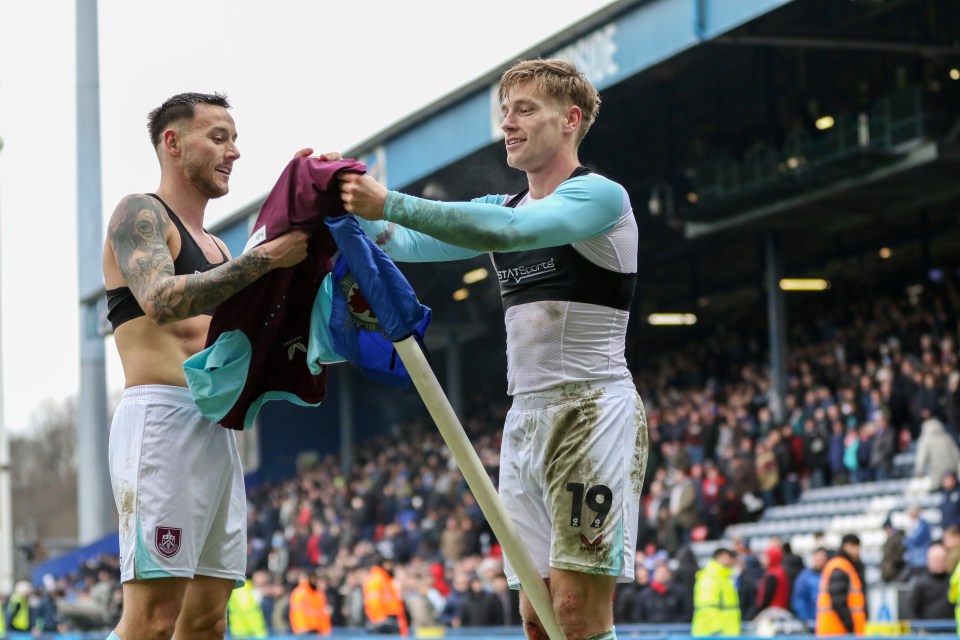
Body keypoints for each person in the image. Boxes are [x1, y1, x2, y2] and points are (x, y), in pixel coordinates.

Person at [340, 58, 646, 640]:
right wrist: (337, 202)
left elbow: (502, 236)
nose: (508, 122)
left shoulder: (600, 197)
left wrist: (389, 202)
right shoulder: (503, 206)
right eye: (505, 111)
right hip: (525, 418)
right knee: (538, 614)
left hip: (593, 412)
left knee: (578, 613)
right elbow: (398, 239)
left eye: (525, 109)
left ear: (570, 120)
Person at [101, 92, 311, 640]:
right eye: (218, 137)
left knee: (206, 621)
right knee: (152, 621)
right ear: (173, 143)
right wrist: (263, 258)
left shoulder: (219, 247)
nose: (234, 151)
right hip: (160, 422)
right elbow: (162, 299)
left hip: (215, 431)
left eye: (235, 139)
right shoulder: (139, 212)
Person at [815, 534, 866, 637]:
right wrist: (850, 626)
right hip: (837, 632)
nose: (857, 551)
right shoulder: (840, 567)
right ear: (847, 546)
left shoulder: (843, 566)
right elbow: (838, 601)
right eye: (855, 547)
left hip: (837, 632)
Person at [691, 547, 741, 636]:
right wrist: (716, 630)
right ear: (721, 557)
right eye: (729, 557)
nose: (732, 561)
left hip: (727, 632)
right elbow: (708, 606)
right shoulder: (710, 577)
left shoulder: (724, 578)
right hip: (714, 633)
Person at [907, 542, 953, 621]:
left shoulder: (953, 580)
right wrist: (920, 629)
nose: (940, 563)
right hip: (929, 630)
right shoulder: (920, 583)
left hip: (953, 630)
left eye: (942, 559)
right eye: (936, 560)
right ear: (928, 561)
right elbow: (912, 609)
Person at [792, 548, 829, 625]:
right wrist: (805, 619)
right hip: (811, 621)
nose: (820, 563)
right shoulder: (805, 577)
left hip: (827, 621)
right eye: (818, 559)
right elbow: (799, 599)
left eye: (822, 560)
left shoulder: (830, 576)